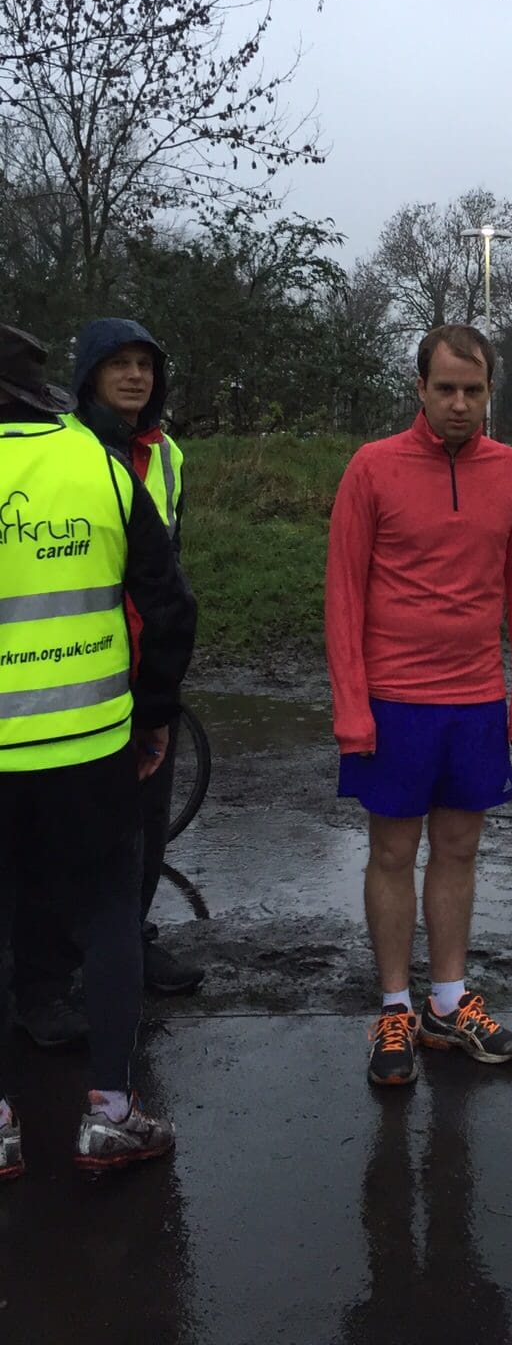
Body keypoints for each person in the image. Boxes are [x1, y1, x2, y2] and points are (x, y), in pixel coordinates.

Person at [0, 324, 196, 1179]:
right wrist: (153, 714)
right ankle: (112, 1113)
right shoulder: (101, 467)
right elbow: (171, 605)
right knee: (112, 910)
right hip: (92, 742)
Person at [325, 323, 512, 1086]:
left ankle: (447, 1003)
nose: (459, 404)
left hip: (475, 700)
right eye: (445, 388)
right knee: (392, 853)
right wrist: (353, 710)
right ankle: (394, 1008)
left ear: (490, 393)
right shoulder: (372, 468)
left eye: (473, 391)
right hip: (394, 704)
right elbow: (343, 596)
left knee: (457, 850)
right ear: (419, 388)